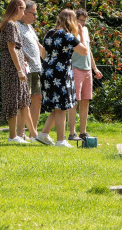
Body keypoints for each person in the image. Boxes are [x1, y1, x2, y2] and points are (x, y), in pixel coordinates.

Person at [35, 9, 88, 147]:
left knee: (56, 106)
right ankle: (61, 140)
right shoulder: (67, 36)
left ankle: (44, 134)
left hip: (47, 71)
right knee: (62, 106)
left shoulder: (49, 33)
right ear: (71, 20)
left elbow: (43, 54)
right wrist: (81, 34)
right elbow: (84, 51)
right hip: (61, 73)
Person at [0, 0, 40, 143]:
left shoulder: (12, 24)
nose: (24, 13)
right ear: (17, 8)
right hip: (13, 69)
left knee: (23, 100)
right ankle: (13, 136)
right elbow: (11, 49)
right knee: (14, 101)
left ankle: (34, 135)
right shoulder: (10, 24)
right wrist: (20, 70)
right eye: (22, 9)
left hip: (18, 67)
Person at [67, 9, 103, 141]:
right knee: (74, 101)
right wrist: (79, 32)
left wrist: (95, 68)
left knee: (86, 100)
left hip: (87, 69)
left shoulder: (86, 30)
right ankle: (72, 133)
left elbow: (88, 50)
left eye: (84, 21)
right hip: (75, 68)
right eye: (81, 20)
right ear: (75, 19)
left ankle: (83, 132)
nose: (83, 23)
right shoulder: (71, 31)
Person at [16, 0, 46, 142]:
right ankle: (19, 134)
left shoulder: (29, 27)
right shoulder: (15, 25)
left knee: (37, 99)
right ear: (25, 13)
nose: (36, 17)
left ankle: (32, 134)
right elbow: (1, 42)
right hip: (25, 69)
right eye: (34, 14)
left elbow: (38, 45)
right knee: (23, 102)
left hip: (36, 68)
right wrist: (21, 56)